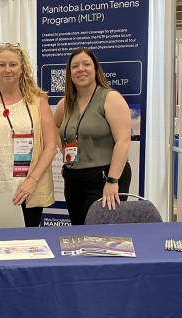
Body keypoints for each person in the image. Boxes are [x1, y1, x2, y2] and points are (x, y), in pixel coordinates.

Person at [0, 42, 57, 227]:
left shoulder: (38, 102)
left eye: (13, 64)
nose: (7, 70)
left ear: (22, 68)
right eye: (2, 64)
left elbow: (50, 146)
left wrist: (32, 181)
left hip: (29, 190)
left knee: (28, 247)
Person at [53, 47, 132, 225]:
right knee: (79, 233)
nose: (81, 69)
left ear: (95, 69)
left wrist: (113, 181)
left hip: (104, 178)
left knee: (100, 236)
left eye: (86, 64)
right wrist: (60, 145)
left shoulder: (110, 98)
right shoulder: (65, 103)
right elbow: (53, 125)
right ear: (69, 73)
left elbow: (123, 141)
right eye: (75, 66)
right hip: (73, 180)